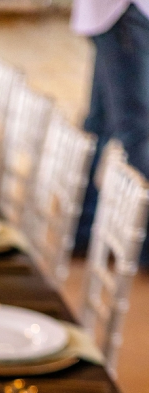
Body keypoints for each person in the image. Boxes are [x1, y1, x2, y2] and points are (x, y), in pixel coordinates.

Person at [74, 0, 149, 261]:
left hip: (113, 13)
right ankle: (144, 246)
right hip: (125, 10)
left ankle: (80, 229)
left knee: (99, 123)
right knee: (138, 132)